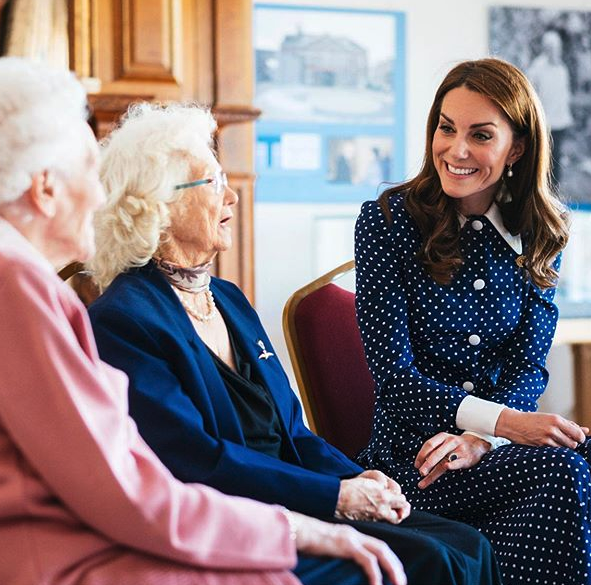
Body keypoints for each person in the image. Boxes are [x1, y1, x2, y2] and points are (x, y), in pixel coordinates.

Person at [0, 58, 408, 585]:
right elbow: (123, 490)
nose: (101, 200)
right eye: (89, 175)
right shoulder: (14, 285)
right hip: (41, 556)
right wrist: (295, 530)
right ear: (45, 187)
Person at [86, 102, 503, 585]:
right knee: (429, 561)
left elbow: (295, 433)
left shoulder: (228, 299)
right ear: (158, 204)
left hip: (302, 493)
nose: (232, 198)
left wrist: (357, 479)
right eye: (213, 183)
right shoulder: (123, 320)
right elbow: (196, 461)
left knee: (466, 544)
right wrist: (336, 497)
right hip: (243, 518)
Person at [354, 57, 591, 585]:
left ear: (518, 147)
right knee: (564, 471)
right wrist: (505, 424)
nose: (456, 150)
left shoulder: (539, 233)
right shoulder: (386, 222)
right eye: (446, 127)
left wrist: (488, 439)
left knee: (576, 458)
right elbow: (396, 381)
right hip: (415, 459)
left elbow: (529, 365)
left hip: (489, 453)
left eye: (480, 134)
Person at [527, 29, 573, 187]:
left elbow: (564, 95)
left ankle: (554, 194)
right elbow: (530, 97)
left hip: (560, 122)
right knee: (542, 160)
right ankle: (541, 191)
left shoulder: (562, 68)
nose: (554, 50)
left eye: (557, 47)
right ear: (546, 47)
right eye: (551, 46)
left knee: (557, 158)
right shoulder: (537, 68)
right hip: (544, 123)